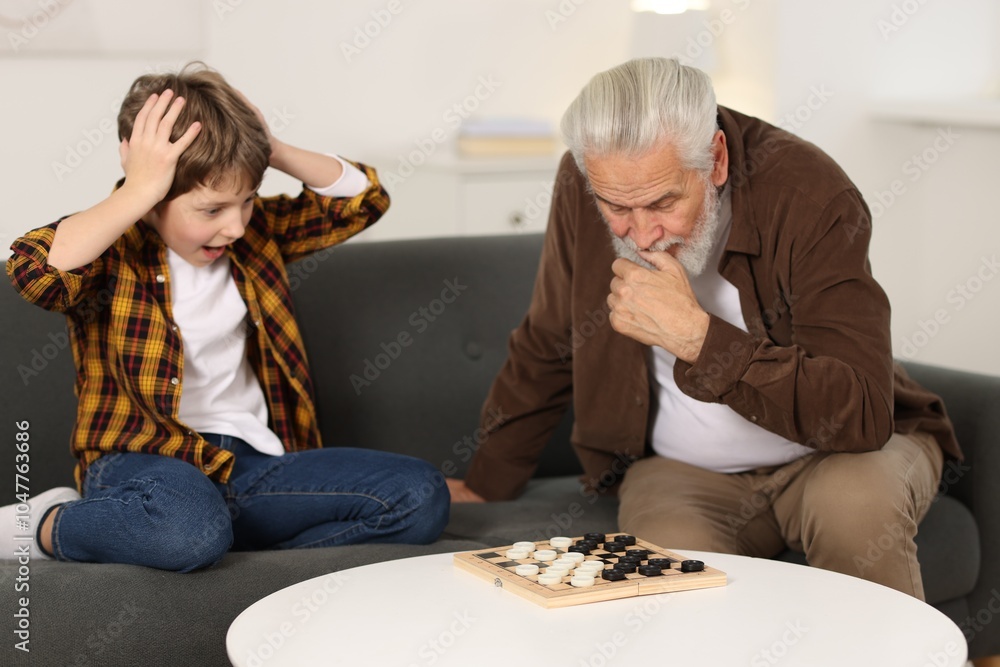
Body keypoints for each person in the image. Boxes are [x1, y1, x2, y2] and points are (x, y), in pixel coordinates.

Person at [447, 57, 960, 601]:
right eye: (616, 206)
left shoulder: (812, 195)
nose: (642, 235)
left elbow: (860, 411)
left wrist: (698, 338)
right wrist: (486, 482)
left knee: (855, 509)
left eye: (664, 202)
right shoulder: (584, 177)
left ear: (715, 160)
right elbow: (550, 341)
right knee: (667, 572)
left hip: (834, 454)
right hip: (682, 471)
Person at [2, 63, 449, 572]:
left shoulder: (256, 238)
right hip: (149, 468)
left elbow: (364, 201)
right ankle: (44, 524)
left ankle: (215, 544)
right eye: (211, 210)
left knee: (419, 495)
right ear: (152, 197)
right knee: (184, 521)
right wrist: (138, 190)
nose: (235, 226)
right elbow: (33, 271)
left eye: (247, 202)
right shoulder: (112, 247)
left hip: (252, 465)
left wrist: (266, 146)